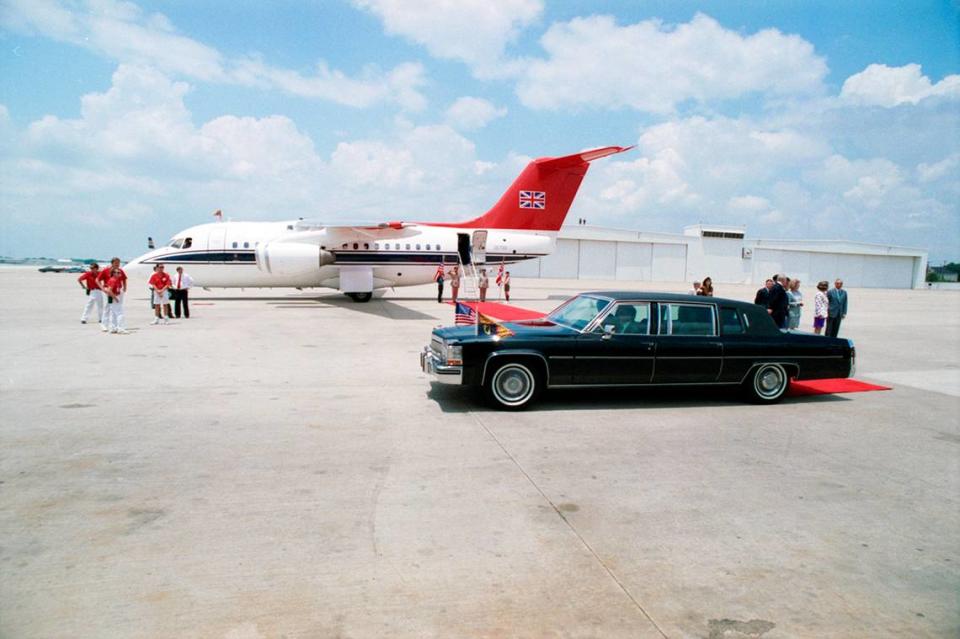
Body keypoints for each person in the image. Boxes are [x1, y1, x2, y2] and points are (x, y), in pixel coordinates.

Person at [96, 257, 127, 325]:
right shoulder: (105, 270)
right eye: (116, 263)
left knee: (117, 307)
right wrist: (102, 288)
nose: (117, 264)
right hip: (109, 291)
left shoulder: (120, 271)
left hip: (118, 291)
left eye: (118, 263)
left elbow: (124, 279)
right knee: (107, 307)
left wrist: (125, 287)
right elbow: (97, 280)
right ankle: (104, 324)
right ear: (112, 263)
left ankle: (114, 324)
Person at [102, 266, 128, 334]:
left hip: (115, 296)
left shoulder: (116, 280)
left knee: (113, 313)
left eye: (119, 272)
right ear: (113, 273)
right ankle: (120, 328)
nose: (119, 273)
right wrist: (115, 298)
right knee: (120, 313)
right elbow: (109, 290)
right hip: (114, 297)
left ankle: (113, 328)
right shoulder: (113, 280)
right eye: (117, 272)